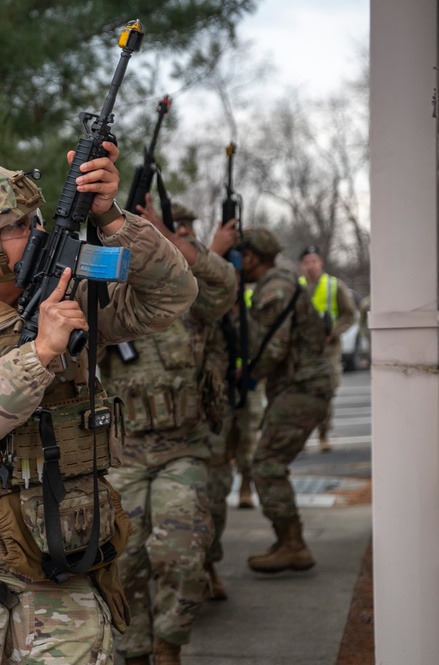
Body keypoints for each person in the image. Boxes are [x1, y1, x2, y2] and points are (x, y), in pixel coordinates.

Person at [0, 143, 199, 665]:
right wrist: (38, 355)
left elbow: (171, 296)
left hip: (65, 548)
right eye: (16, 227)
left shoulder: (71, 297)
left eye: (35, 219)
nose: (36, 233)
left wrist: (111, 218)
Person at [99, 200, 236, 664]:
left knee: (181, 553)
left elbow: (227, 285)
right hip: (126, 453)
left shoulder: (186, 294)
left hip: (183, 448)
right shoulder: (110, 294)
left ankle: (168, 646)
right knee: (123, 559)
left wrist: (174, 241)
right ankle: (135, 652)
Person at [238, 229, 333, 573]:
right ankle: (287, 540)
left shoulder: (275, 288)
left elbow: (273, 348)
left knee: (266, 464)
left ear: (250, 257)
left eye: (239, 256)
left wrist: (248, 375)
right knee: (269, 462)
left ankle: (293, 544)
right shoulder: (279, 283)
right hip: (300, 387)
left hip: (303, 388)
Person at [298, 245, 358, 452]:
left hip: (328, 351)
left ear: (320, 262)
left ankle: (323, 434)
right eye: (307, 262)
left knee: (326, 393)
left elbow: (349, 314)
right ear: (302, 265)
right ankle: (303, 437)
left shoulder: (334, 286)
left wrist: (334, 331)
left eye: (314, 261)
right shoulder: (297, 288)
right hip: (303, 352)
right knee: (303, 396)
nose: (311, 266)